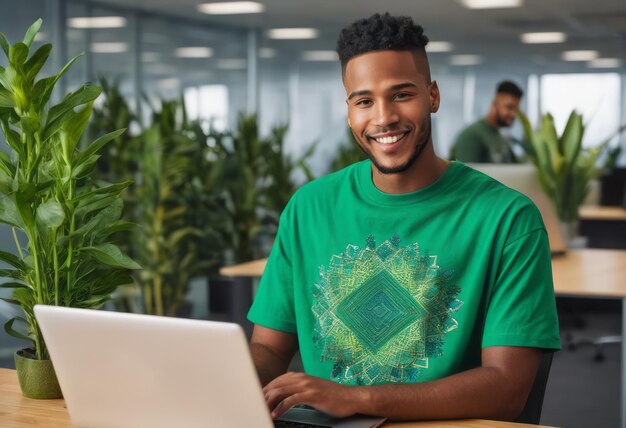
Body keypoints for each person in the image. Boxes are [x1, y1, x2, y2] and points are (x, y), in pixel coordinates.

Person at [248, 12, 560, 422]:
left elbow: (507, 387)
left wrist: (358, 398)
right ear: (349, 111)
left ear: (432, 96)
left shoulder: (508, 219)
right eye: (364, 101)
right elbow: (270, 349)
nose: (383, 118)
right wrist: (221, 379)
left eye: (401, 94)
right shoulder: (308, 207)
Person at [450, 81, 523, 163]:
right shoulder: (472, 135)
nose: (513, 114)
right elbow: (463, 174)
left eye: (516, 109)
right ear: (495, 104)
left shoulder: (500, 138)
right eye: (509, 107)